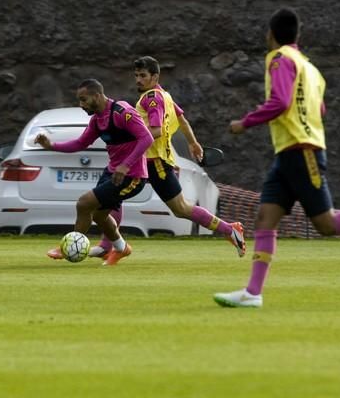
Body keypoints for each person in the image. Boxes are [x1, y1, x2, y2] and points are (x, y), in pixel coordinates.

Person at [214, 7, 340, 308]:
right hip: (288, 154)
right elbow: (320, 109)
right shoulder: (310, 68)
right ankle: (252, 293)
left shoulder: (278, 59)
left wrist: (245, 122)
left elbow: (280, 100)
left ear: (272, 34)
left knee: (327, 224)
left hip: (301, 151)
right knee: (266, 217)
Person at [89, 56, 246, 259]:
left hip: (154, 162)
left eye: (143, 76)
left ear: (155, 76)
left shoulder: (151, 98)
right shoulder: (164, 95)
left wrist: (129, 134)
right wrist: (193, 142)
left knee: (180, 208)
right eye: (136, 75)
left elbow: (156, 130)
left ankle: (229, 229)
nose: (138, 79)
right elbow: (181, 118)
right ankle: (109, 245)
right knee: (114, 196)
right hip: (149, 160)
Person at [36, 78, 153, 266]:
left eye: (84, 99)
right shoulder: (97, 121)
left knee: (84, 203)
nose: (81, 105)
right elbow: (80, 143)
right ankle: (122, 248)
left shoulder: (122, 112)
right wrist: (51, 145)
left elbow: (146, 138)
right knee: (98, 216)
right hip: (113, 174)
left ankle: (70, 246)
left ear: (97, 96)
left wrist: (126, 165)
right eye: (79, 100)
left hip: (132, 176)